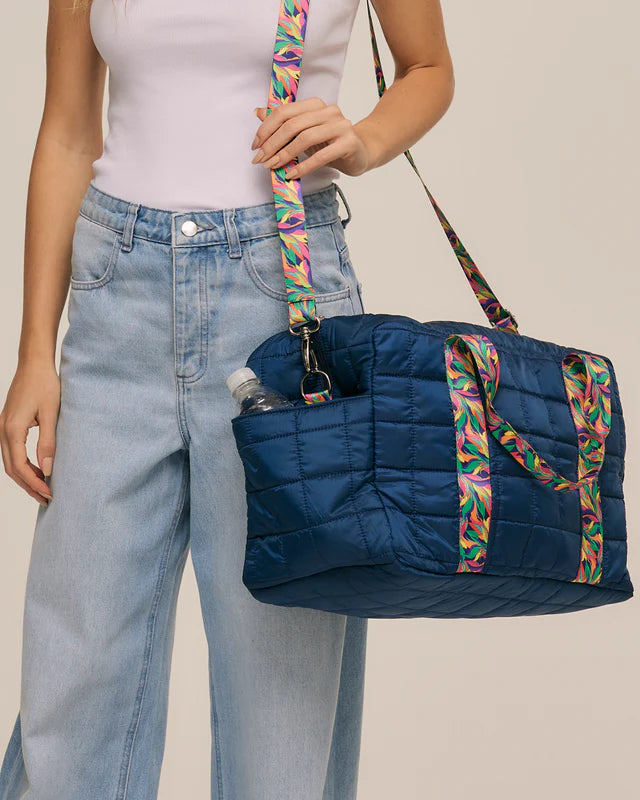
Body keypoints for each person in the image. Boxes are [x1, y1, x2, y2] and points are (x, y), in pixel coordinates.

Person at [0, 0, 454, 797]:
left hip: (282, 304)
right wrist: (35, 350)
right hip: (114, 304)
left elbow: (429, 67)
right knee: (73, 680)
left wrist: (365, 139)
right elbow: (68, 131)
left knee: (280, 698)